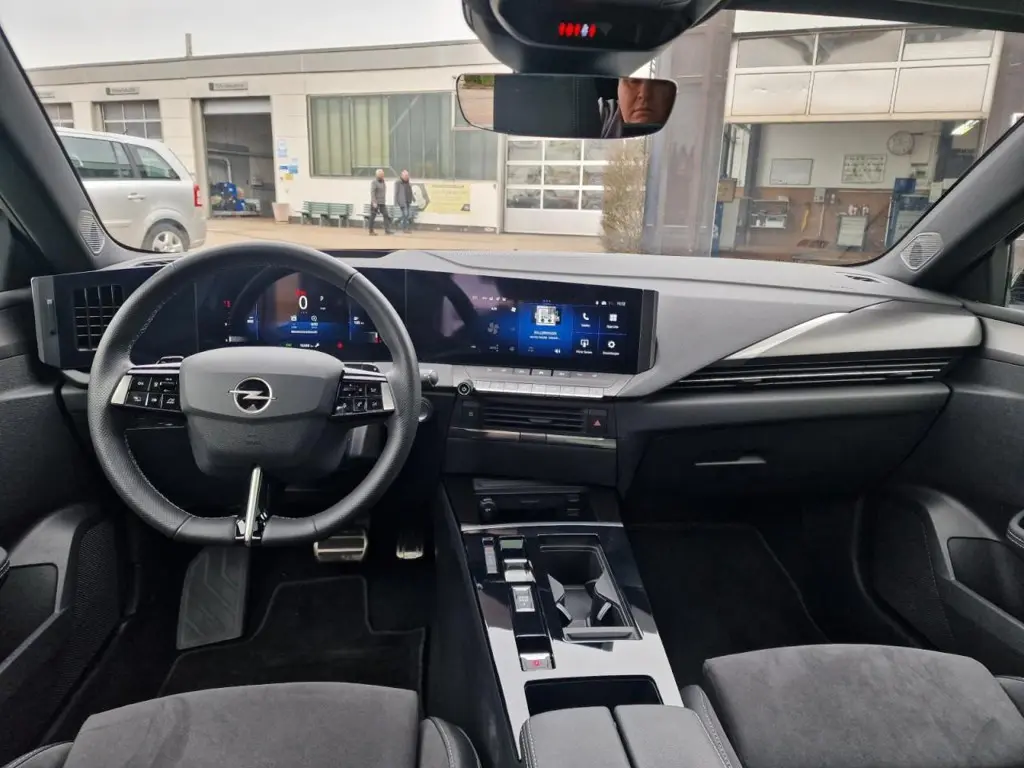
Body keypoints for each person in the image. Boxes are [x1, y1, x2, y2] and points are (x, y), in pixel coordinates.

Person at [600, 78, 673, 138]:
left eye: (657, 82)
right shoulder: (600, 113)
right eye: (633, 80)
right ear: (618, 88)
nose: (645, 94)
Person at [367, 168, 392, 235]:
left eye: (383, 174)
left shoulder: (383, 182)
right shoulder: (374, 182)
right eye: (381, 174)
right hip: (375, 202)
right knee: (373, 216)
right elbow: (372, 193)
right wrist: (374, 202)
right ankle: (371, 231)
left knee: (386, 215)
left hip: (382, 203)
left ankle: (387, 230)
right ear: (378, 175)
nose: (383, 175)